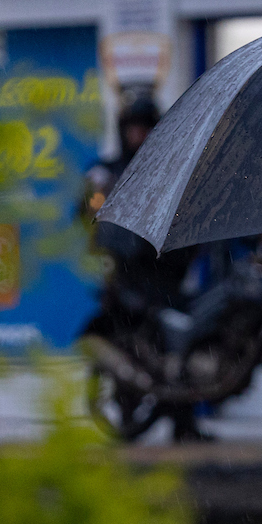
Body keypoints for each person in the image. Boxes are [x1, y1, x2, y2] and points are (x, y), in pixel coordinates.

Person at [80, 96, 210, 442]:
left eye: (144, 128)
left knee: (179, 350)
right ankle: (128, 411)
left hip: (167, 276)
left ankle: (185, 424)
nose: (137, 134)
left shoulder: (173, 172)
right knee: (135, 346)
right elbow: (87, 215)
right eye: (132, 128)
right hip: (127, 280)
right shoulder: (106, 173)